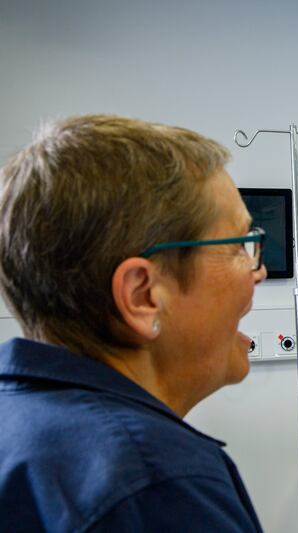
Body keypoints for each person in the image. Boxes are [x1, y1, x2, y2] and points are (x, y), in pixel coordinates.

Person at [0, 115, 266, 531]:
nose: (258, 272)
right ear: (143, 295)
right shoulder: (153, 484)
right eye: (239, 246)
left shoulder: (18, 424)